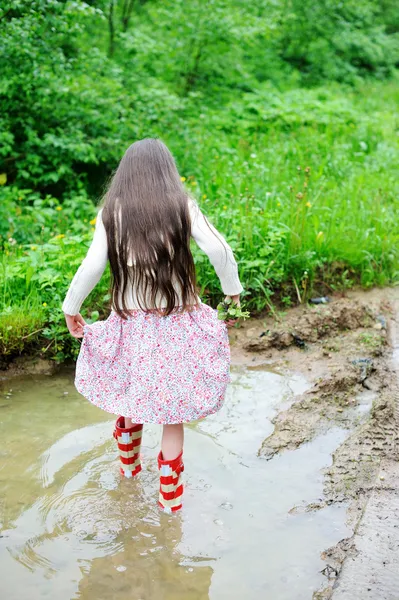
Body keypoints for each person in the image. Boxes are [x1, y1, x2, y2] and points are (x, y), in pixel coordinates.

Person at [62, 138, 243, 513]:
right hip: (177, 324)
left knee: (129, 397)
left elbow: (92, 266)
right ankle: (170, 503)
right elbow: (220, 250)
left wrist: (71, 306)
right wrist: (232, 291)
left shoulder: (112, 211)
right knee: (172, 416)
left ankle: (127, 474)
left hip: (131, 325)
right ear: (167, 170)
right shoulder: (182, 206)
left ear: (124, 174)